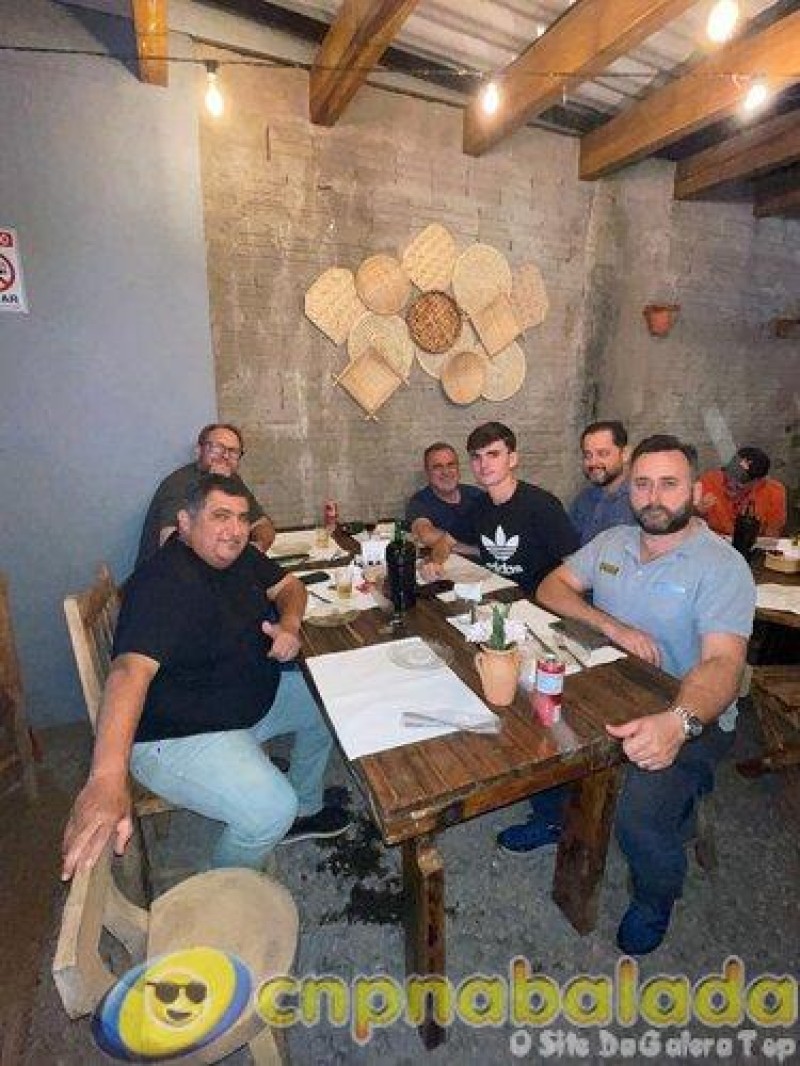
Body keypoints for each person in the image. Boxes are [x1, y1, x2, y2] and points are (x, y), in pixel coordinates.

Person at [498, 434, 755, 955]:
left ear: (695, 491)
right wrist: (611, 626)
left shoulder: (721, 566)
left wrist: (679, 722)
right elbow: (551, 587)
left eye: (668, 484)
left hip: (690, 712)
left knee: (640, 812)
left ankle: (656, 896)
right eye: (642, 484)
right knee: (531, 721)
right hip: (611, 687)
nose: (653, 497)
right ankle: (553, 816)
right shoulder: (613, 540)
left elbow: (723, 665)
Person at [62, 474, 350, 879]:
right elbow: (128, 673)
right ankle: (222, 890)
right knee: (271, 809)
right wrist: (106, 778)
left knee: (329, 700)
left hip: (240, 702)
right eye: (220, 516)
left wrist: (289, 624)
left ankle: (304, 809)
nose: (235, 529)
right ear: (185, 522)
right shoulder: (162, 583)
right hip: (177, 735)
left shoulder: (238, 556)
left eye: (242, 518)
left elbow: (290, 587)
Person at [136, 423, 276, 566]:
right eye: (217, 448)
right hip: (170, 573)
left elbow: (264, 527)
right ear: (198, 450)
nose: (225, 456)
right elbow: (170, 544)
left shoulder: (231, 480)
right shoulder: (180, 484)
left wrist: (252, 552)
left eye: (233, 451)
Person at [465, 422, 578, 593]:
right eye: (476, 457)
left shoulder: (543, 506)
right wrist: (435, 562)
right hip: (496, 595)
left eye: (493, 454)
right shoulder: (478, 505)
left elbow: (575, 566)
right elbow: (449, 541)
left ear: (512, 459)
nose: (483, 464)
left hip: (537, 601)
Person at [406, 442, 483, 565]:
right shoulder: (420, 502)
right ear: (427, 472)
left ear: (458, 468)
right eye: (437, 467)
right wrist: (476, 550)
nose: (446, 472)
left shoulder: (477, 495)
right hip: (448, 566)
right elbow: (426, 535)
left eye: (451, 465)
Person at [569, 420, 635, 545]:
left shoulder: (639, 500)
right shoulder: (583, 500)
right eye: (588, 455)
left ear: (625, 454)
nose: (593, 462)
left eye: (602, 454)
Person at [698, 446, 787, 538]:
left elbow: (772, 535)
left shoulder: (774, 492)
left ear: (758, 481)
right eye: (730, 474)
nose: (731, 483)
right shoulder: (708, 482)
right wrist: (697, 511)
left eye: (741, 480)